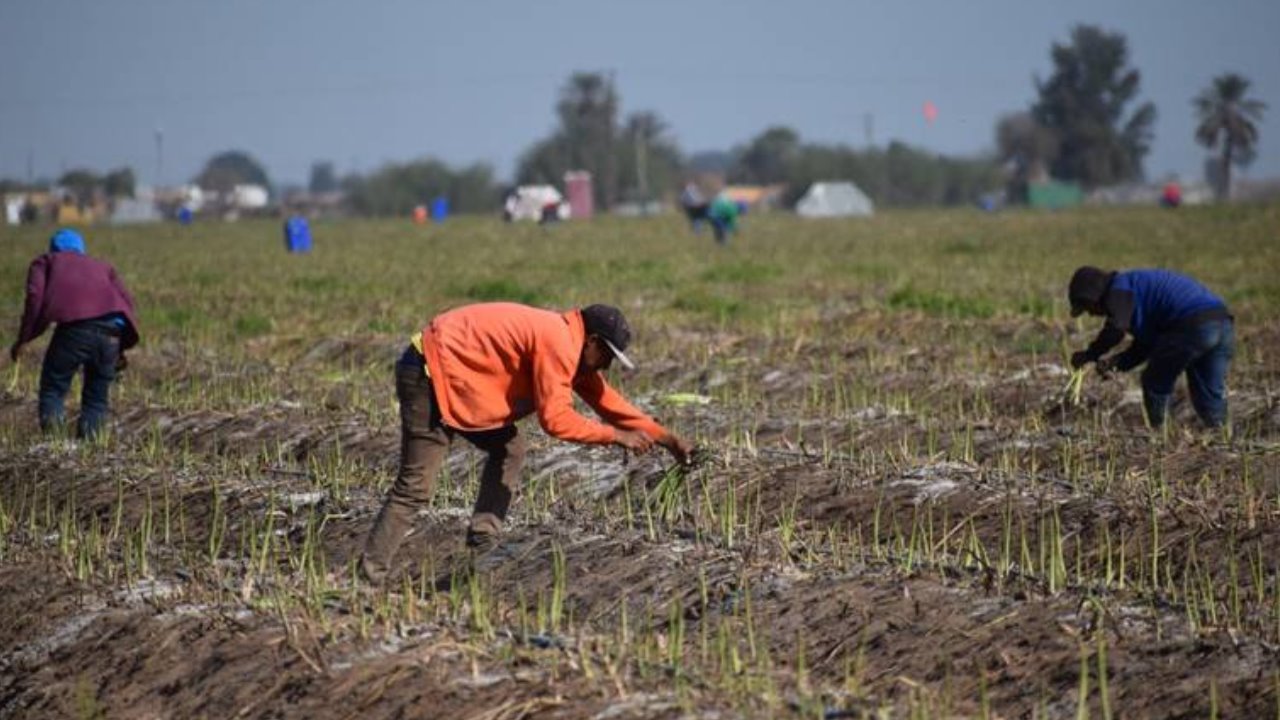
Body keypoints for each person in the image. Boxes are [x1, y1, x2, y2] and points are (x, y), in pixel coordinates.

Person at [361, 302, 694, 583]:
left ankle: (482, 544)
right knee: (415, 486)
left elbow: (608, 402)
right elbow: (556, 421)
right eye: (607, 354)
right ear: (592, 341)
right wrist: (615, 436)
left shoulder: (571, 343)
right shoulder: (560, 343)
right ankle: (368, 576)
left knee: (510, 448)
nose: (606, 365)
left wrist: (667, 439)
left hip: (455, 378)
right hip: (428, 372)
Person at [10, 228, 140, 439]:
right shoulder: (103, 266)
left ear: (53, 248)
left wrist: (24, 339)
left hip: (75, 330)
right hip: (111, 335)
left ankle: (56, 446)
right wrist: (120, 348)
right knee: (96, 399)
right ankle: (89, 450)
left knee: (53, 390)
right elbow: (126, 304)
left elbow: (35, 298)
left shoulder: (46, 262)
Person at [1067, 266, 1234, 430]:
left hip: (1192, 324)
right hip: (1222, 322)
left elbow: (1116, 328)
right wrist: (1116, 364)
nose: (1091, 314)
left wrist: (1090, 354)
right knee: (1208, 390)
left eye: (1087, 307)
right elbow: (1147, 346)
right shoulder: (1135, 293)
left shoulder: (1118, 288)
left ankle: (1161, 434)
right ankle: (1220, 432)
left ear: (1094, 296)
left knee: (1155, 381)